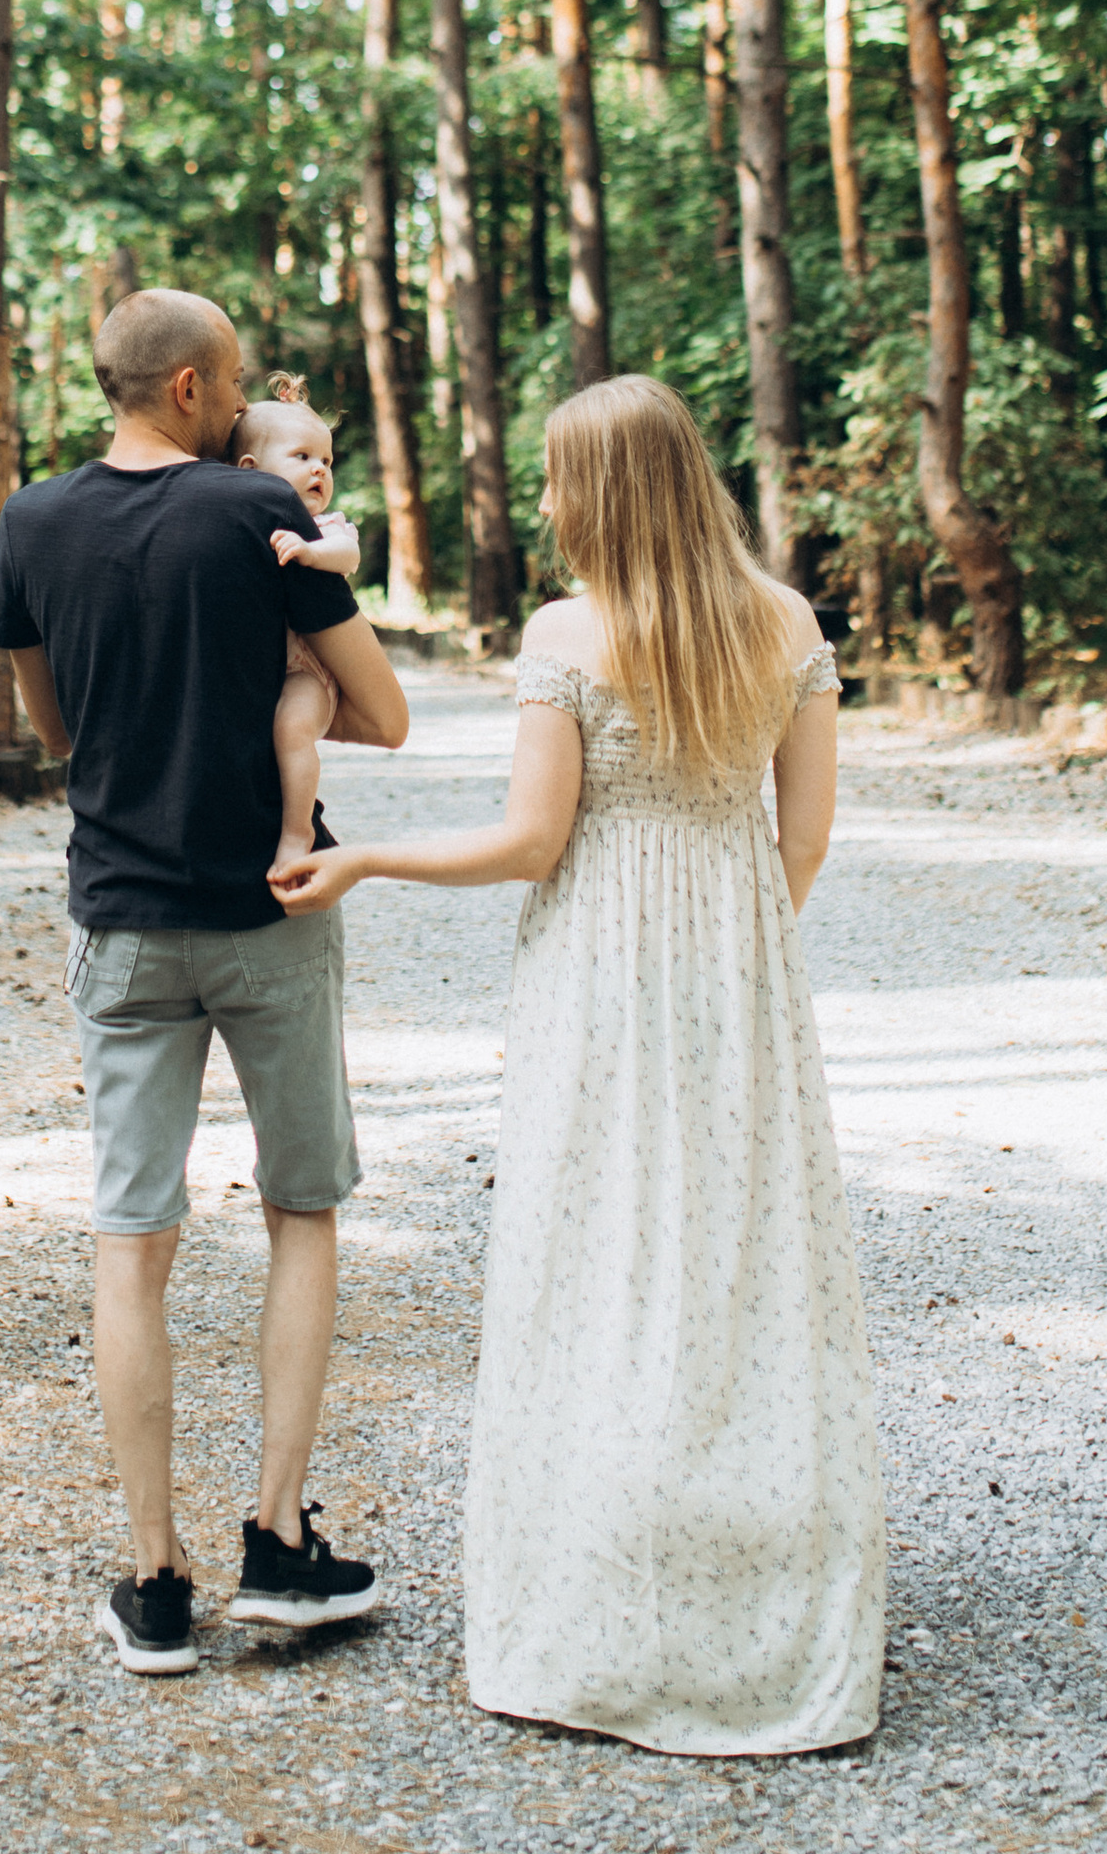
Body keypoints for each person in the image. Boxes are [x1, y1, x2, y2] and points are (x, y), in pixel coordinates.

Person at [278, 373, 886, 1756]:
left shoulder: (570, 631)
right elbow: (802, 839)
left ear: (602, 491)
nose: (548, 501)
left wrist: (367, 858)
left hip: (598, 976)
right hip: (741, 972)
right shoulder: (787, 622)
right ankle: (763, 1608)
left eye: (560, 477)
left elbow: (530, 841)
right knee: (741, 1269)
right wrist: (736, 952)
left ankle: (603, 1610)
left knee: (598, 1259)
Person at [0, 286, 411, 1679]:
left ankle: (156, 1580)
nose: (242, 412)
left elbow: (52, 723)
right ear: (187, 388)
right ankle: (279, 1543)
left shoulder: (31, 522)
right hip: (269, 914)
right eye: (232, 388)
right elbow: (384, 712)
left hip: (121, 923)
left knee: (132, 1240)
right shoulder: (256, 513)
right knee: (302, 1211)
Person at [229, 375, 362, 875]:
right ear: (250, 470)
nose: (320, 470)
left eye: (326, 460)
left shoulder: (323, 528)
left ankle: (297, 829)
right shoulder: (239, 525)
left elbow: (347, 554)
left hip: (310, 670)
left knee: (291, 729)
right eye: (302, 457)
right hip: (265, 666)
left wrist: (310, 551)